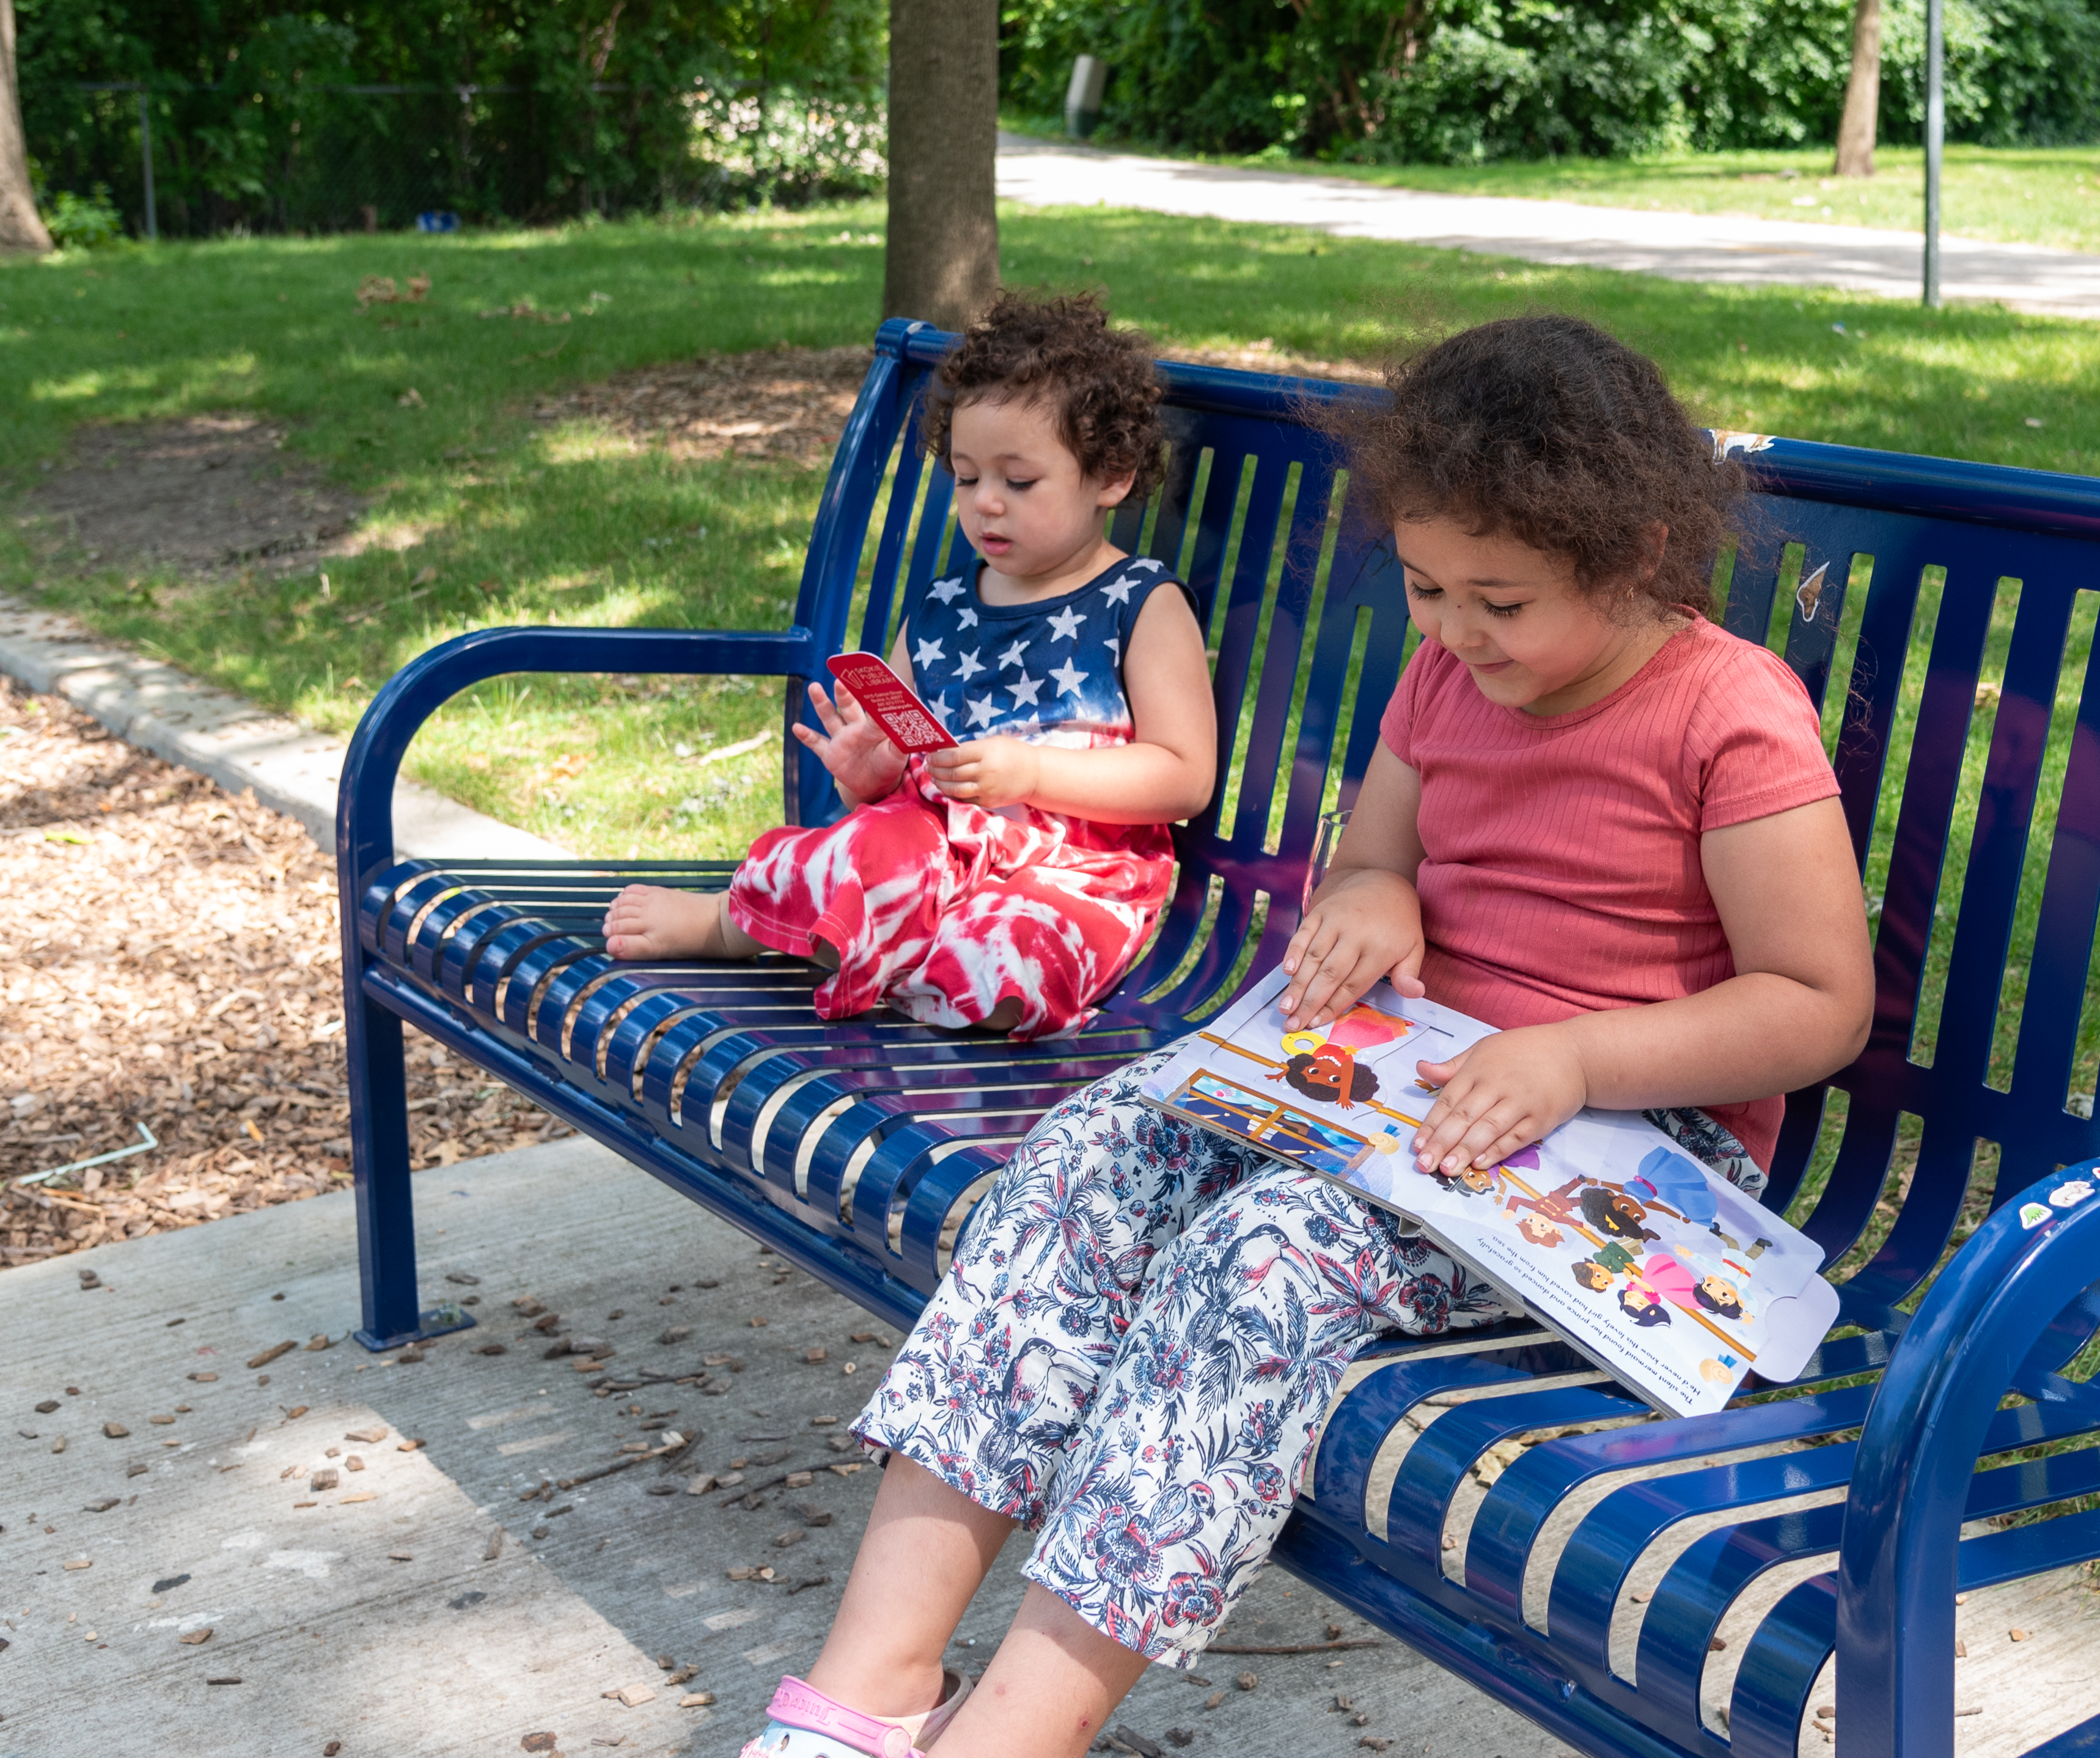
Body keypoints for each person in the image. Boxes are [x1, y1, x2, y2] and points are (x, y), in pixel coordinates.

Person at [736, 312, 1874, 1758]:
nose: (1457, 631)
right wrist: (1376, 892)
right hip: (1393, 1091)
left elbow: (1812, 1003)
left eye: (1500, 600)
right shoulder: (1448, 674)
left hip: (1623, 1144)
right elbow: (1366, 856)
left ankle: (1012, 1732)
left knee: (1254, 1253)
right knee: (1084, 1153)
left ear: (1636, 549)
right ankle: (867, 1689)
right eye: (1421, 587)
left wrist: (1573, 1057)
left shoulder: (1727, 712)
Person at [603, 291, 1215, 1040]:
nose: (986, 503)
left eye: (1018, 482)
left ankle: (897, 960)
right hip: (934, 842)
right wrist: (873, 775)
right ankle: (729, 926)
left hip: (1069, 869)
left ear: (1111, 476)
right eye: (966, 477)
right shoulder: (943, 604)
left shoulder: (1139, 603)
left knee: (1013, 952)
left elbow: (1185, 776)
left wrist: (1032, 774)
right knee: (863, 847)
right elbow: (903, 768)